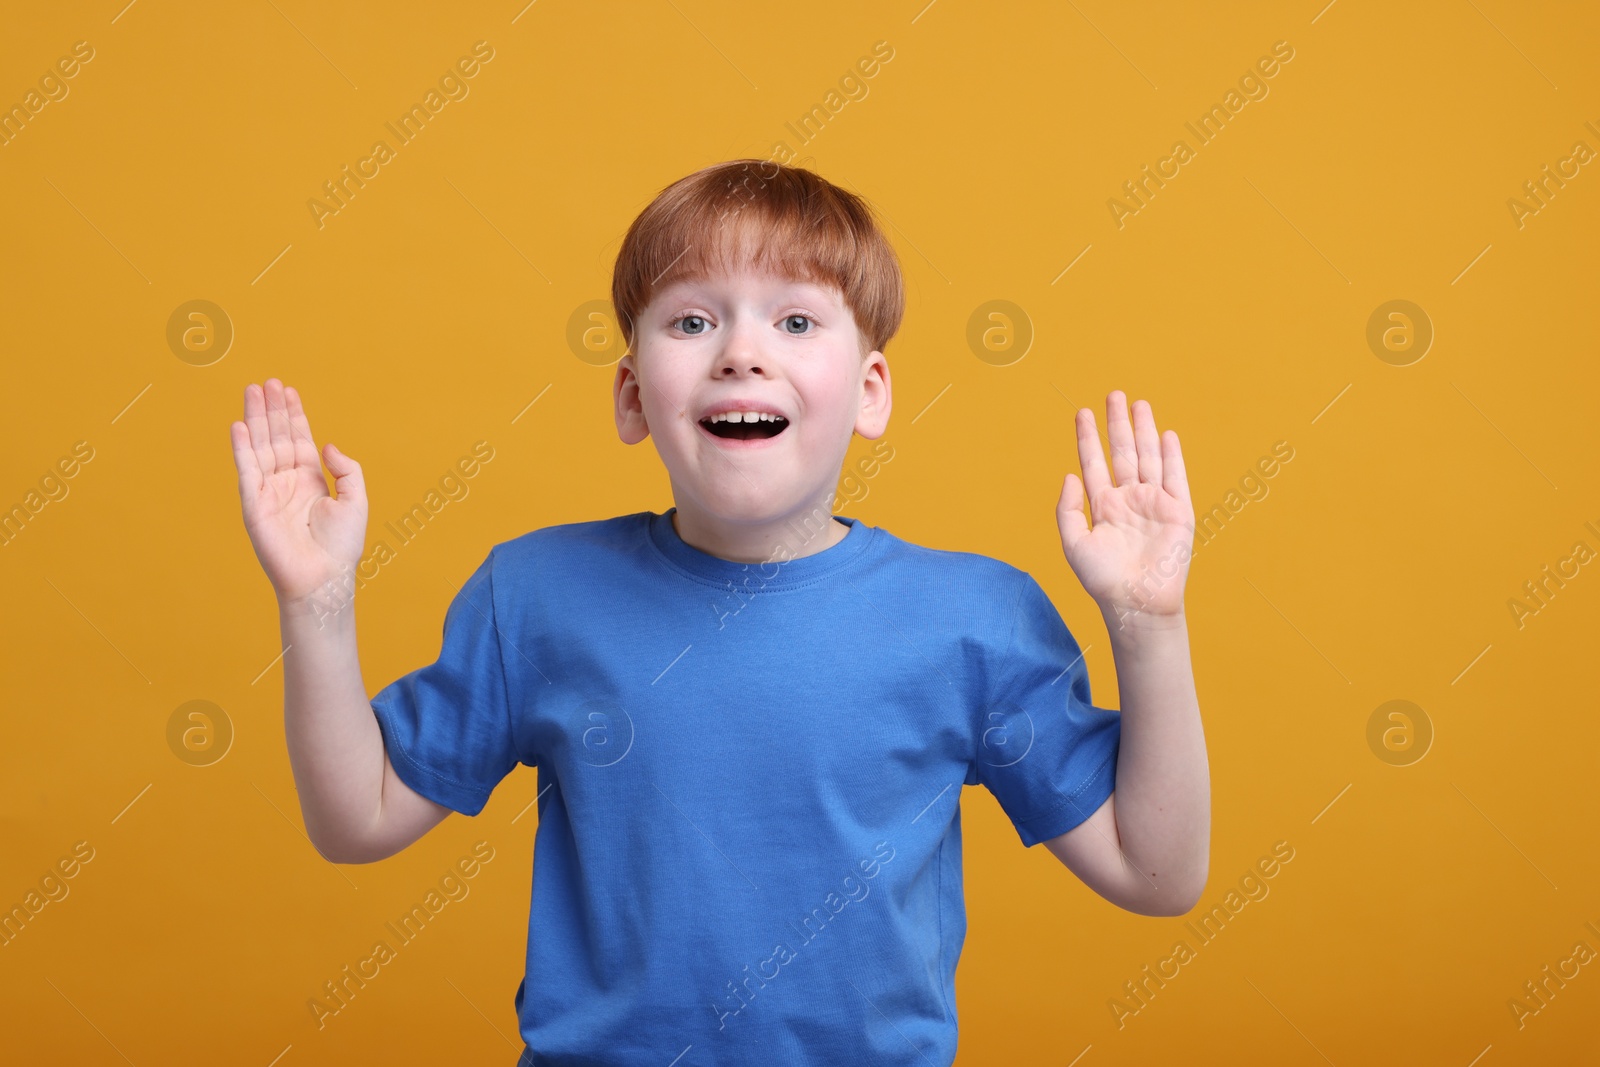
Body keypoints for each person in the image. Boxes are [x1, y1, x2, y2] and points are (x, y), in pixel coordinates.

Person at [229, 158, 1209, 1065]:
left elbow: (1156, 874)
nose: (742, 351)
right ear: (630, 395)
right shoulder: (533, 594)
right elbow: (355, 819)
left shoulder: (975, 616)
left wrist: (1148, 622)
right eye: (693, 321)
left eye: (794, 321)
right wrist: (314, 599)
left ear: (869, 390)